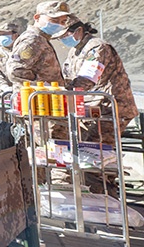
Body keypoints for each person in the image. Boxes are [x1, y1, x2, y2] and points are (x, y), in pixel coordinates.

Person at [56, 17, 138, 195]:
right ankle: (101, 195)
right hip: (94, 109)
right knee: (92, 154)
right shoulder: (75, 52)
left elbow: (87, 78)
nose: (63, 40)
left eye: (65, 35)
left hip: (112, 108)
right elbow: (69, 77)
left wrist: (62, 92)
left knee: (95, 157)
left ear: (78, 31)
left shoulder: (96, 47)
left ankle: (106, 201)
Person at [6, 0, 72, 89]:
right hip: (36, 98)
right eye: (54, 20)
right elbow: (15, 71)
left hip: (48, 97)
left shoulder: (42, 39)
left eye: (63, 21)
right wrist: (43, 87)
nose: (59, 24)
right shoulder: (32, 40)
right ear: (37, 17)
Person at [0, 21, 20, 98]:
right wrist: (4, 87)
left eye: (5, 34)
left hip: (24, 90)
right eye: (0, 35)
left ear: (15, 35)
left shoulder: (22, 49)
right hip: (6, 93)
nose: (2, 37)